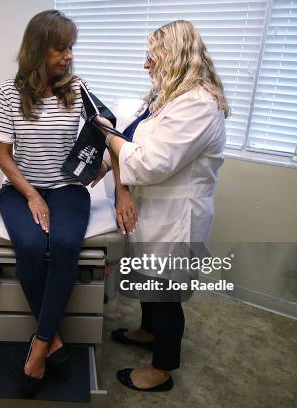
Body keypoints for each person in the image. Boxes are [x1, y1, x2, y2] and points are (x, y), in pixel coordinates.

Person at [94, 20, 229, 392]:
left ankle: (162, 369)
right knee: (150, 281)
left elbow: (152, 163)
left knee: (167, 294)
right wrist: (110, 156)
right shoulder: (168, 96)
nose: (145, 65)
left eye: (151, 56)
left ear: (174, 55)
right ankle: (148, 332)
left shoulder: (199, 105)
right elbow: (135, 133)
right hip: (155, 209)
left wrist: (108, 137)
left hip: (178, 217)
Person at [0, 10, 98, 396]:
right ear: (38, 50)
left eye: (71, 47)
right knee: (32, 246)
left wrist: (103, 173)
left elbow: (102, 134)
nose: (68, 55)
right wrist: (33, 195)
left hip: (68, 189)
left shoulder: (78, 88)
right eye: (60, 48)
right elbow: (3, 155)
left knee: (67, 244)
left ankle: (39, 346)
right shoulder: (10, 91)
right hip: (22, 189)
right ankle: (53, 341)